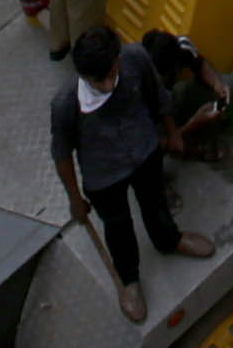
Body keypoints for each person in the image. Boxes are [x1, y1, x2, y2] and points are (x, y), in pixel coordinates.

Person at [52, 19, 203, 311]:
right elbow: (61, 154)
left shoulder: (135, 59)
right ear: (83, 75)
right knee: (118, 226)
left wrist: (172, 132)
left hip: (145, 152)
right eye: (100, 82)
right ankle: (129, 279)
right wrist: (74, 198)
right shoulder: (65, 105)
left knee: (155, 203)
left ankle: (169, 240)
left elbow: (159, 99)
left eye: (111, 74)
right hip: (104, 177)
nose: (108, 85)